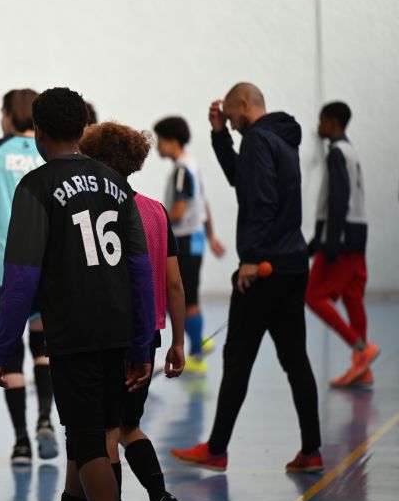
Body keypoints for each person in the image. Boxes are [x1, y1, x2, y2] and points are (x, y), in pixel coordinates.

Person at [0, 87, 155, 501]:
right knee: (92, 438)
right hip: (118, 327)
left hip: (74, 332)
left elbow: (21, 277)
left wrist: (4, 348)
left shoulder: (36, 186)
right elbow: (140, 269)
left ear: (39, 132)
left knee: (87, 442)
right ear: (82, 129)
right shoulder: (115, 183)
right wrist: (141, 343)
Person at [171, 82, 323, 474]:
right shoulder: (282, 139)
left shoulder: (257, 139)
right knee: (296, 360)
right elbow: (245, 179)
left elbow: (260, 202)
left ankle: (216, 450)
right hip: (292, 265)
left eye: (232, 115)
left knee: (237, 359)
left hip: (265, 269)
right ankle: (312, 450)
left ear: (243, 103)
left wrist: (252, 259)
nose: (232, 121)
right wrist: (220, 135)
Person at [80, 122, 185, 501]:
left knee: (107, 432)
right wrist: (178, 341)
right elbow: (174, 283)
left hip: (107, 332)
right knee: (129, 425)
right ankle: (160, 497)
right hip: (148, 333)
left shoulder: (92, 213)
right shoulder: (156, 210)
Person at [0, 89, 57, 465]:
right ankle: (45, 420)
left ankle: (20, 442)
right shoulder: (48, 149)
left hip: (2, 261)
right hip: (48, 261)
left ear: (7, 114)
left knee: (11, 348)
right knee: (43, 344)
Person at [306, 102, 377, 388]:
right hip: (357, 234)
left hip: (342, 237)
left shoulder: (337, 152)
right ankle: (363, 370)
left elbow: (338, 199)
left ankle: (360, 348)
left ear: (333, 122)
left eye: (322, 120)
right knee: (352, 297)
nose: (319, 126)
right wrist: (316, 241)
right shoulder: (351, 151)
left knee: (312, 296)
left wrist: (330, 242)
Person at [153, 116, 226, 374]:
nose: (157, 146)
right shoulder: (192, 165)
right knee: (187, 294)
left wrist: (154, 222)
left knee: (186, 297)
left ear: (172, 141)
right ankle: (197, 342)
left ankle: (196, 351)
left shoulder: (182, 170)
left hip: (184, 240)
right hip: (195, 238)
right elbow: (203, 204)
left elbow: (180, 210)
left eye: (160, 140)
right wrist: (211, 235)